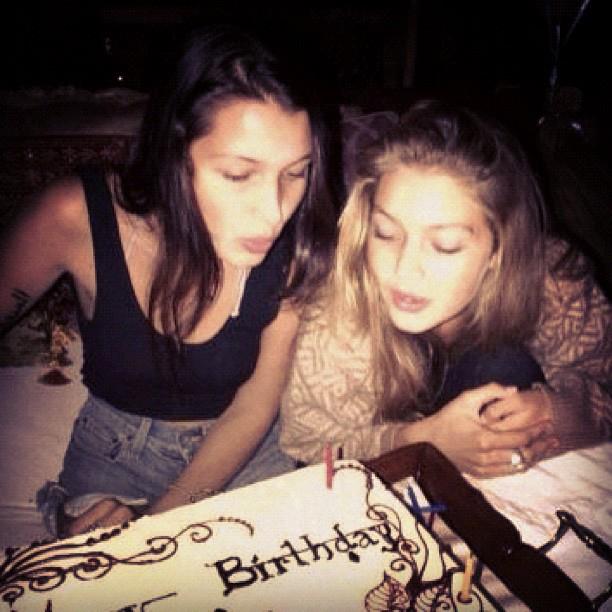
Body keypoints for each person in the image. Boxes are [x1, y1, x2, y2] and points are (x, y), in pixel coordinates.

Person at [0, 25, 337, 537]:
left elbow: (257, 401)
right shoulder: (76, 216)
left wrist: (159, 526)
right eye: (238, 174)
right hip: (116, 458)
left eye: (296, 173)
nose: (274, 213)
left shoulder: (300, 241)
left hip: (246, 452)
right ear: (173, 152)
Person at [280, 99, 612, 478]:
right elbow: (310, 453)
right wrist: (420, 442)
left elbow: (603, 380)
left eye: (445, 245)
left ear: (499, 249)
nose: (404, 269)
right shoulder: (340, 305)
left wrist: (557, 410)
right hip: (393, 477)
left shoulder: (551, 280)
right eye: (385, 233)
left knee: (502, 367)